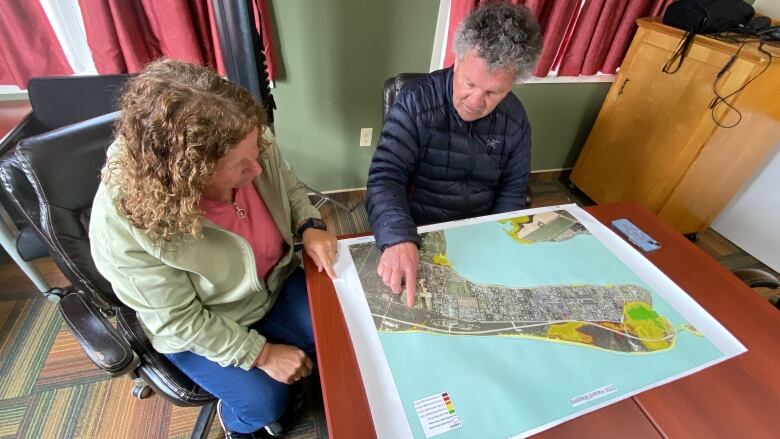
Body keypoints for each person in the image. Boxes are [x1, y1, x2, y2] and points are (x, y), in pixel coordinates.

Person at [89, 59, 337, 438]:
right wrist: (263, 354)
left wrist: (309, 224)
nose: (256, 170)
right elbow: (178, 321)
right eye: (240, 167)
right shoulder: (124, 222)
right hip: (203, 326)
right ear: (188, 174)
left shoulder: (240, 137)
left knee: (341, 328)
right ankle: (238, 424)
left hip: (275, 284)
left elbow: (286, 183)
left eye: (258, 152)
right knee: (265, 403)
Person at [365, 3, 542, 307]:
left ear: (513, 83)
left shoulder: (515, 118)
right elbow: (385, 177)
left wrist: (499, 242)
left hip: (480, 233)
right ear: (457, 60)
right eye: (469, 83)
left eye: (493, 93)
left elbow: (513, 191)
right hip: (418, 229)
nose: (475, 101)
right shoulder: (414, 102)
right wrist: (399, 238)